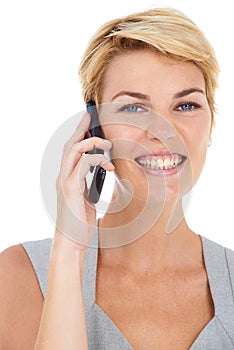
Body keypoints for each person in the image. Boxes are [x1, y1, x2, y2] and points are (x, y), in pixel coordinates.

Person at [0, 6, 234, 350]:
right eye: (133, 108)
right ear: (94, 127)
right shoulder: (18, 277)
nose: (163, 131)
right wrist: (69, 249)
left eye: (186, 106)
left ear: (211, 124)